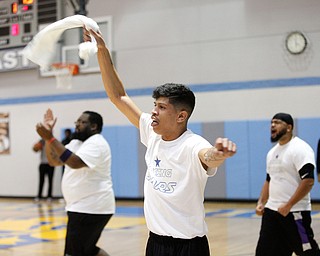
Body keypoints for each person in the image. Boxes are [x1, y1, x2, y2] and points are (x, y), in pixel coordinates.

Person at [83, 28, 237, 256]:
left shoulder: (193, 144)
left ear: (181, 116)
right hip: (156, 243)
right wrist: (102, 50)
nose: (153, 112)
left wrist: (219, 154)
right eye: (155, 105)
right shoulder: (152, 132)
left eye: (162, 107)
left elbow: (208, 156)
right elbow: (118, 96)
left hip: (189, 246)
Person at [36, 109, 114, 256]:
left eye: (82, 122)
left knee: (74, 253)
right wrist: (47, 139)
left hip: (90, 207)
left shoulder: (96, 143)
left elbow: (75, 162)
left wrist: (51, 138)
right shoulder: (76, 142)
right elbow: (54, 161)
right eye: (76, 122)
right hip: (82, 207)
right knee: (88, 250)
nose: (77, 125)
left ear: (94, 126)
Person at [255, 113, 320, 256]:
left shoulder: (300, 148)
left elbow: (308, 181)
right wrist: (261, 202)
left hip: (295, 212)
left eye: (277, 122)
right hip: (272, 212)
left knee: (307, 251)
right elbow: (269, 180)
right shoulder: (272, 153)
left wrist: (289, 205)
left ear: (289, 127)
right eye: (271, 122)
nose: (272, 125)